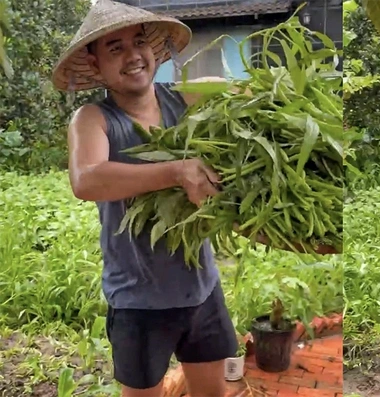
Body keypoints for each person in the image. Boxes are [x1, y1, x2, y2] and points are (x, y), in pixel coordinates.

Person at [51, 1, 238, 396]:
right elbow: (86, 180)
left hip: (201, 288)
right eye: (115, 48)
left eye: (139, 43)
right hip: (138, 300)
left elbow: (243, 103)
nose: (133, 55)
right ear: (96, 66)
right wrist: (175, 170)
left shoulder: (184, 100)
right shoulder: (94, 119)